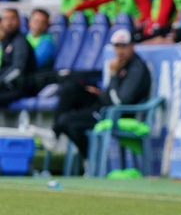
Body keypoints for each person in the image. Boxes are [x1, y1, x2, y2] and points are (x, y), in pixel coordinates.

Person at [39, 29, 151, 158]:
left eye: (123, 46)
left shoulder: (136, 69)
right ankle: (54, 133)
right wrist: (100, 92)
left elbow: (120, 101)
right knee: (70, 89)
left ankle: (89, 158)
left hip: (116, 113)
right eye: (117, 46)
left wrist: (113, 75)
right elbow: (111, 93)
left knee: (67, 121)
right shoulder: (121, 64)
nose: (119, 51)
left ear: (132, 46)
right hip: (105, 104)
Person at [0, 8, 37, 106]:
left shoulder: (20, 41)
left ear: (19, 21)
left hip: (22, 87)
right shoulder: (7, 42)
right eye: (6, 19)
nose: (9, 22)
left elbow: (17, 69)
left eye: (13, 18)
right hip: (9, 86)